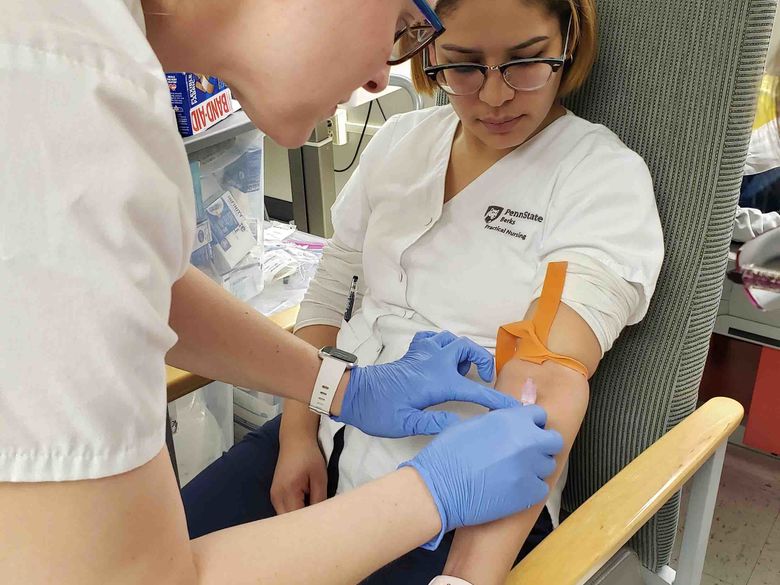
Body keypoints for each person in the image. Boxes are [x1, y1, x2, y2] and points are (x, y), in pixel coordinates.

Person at [0, 1, 566, 584]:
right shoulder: (60, 94)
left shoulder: (73, 57)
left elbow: (144, 287)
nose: (380, 74)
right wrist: (432, 496)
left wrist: (341, 387)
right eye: (400, 20)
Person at [181, 0, 665, 584]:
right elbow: (332, 287)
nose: (494, 96)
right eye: (462, 66)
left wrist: (463, 579)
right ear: (426, 50)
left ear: (570, 42)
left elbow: (551, 375)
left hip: (477, 493)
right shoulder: (401, 141)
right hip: (330, 424)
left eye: (527, 62)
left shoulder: (600, 177)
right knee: (168, 548)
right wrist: (296, 433)